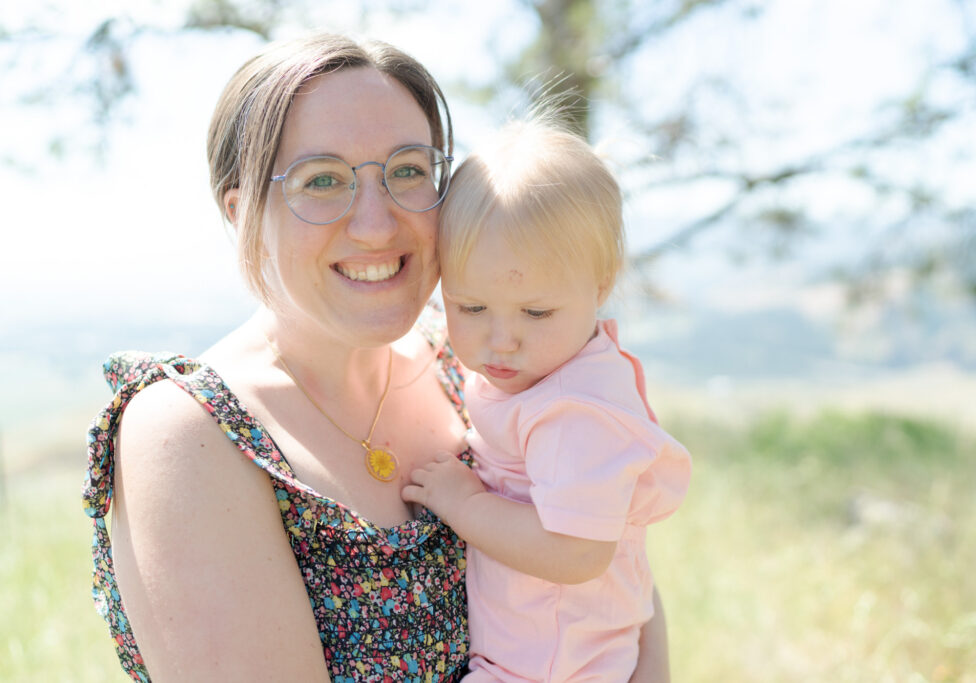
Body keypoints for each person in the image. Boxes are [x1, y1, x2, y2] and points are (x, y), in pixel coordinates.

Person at [82, 34, 670, 682]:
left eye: (409, 170)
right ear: (241, 209)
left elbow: (617, 587)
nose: (376, 223)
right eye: (323, 180)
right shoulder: (192, 434)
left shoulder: (477, 361)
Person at [401, 117, 692, 682]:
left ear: (601, 285)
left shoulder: (573, 410)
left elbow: (577, 553)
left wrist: (466, 506)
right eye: (470, 308)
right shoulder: (540, 366)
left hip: (552, 665)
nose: (500, 340)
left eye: (536, 313)